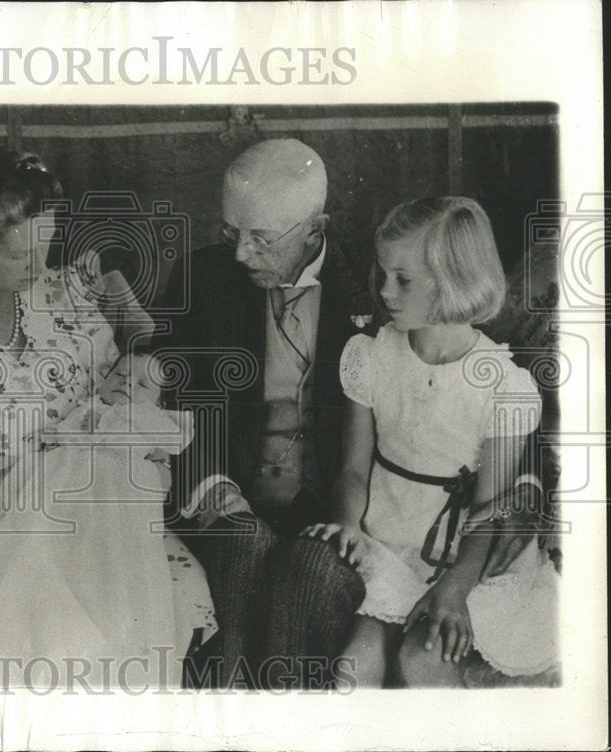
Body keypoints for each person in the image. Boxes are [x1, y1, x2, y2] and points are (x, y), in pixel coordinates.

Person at [0, 148, 215, 689]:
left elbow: (138, 382)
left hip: (98, 509)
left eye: (45, 248)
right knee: (71, 634)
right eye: (19, 258)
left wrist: (131, 330)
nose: (38, 269)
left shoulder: (65, 291)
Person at [304, 197, 559, 687]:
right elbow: (354, 470)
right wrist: (346, 523)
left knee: (423, 662)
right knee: (352, 671)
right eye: (382, 274)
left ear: (453, 281)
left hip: (466, 560)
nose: (384, 291)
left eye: (403, 279)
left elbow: (489, 511)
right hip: (389, 546)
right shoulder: (371, 356)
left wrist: (455, 589)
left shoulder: (502, 385)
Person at [155, 138, 371, 686]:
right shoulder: (200, 280)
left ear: (315, 230)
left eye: (260, 238)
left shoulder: (372, 286)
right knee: (242, 544)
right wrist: (209, 483)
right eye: (231, 232)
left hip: (325, 505)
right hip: (225, 492)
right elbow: (171, 395)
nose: (240, 254)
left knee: (312, 573)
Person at [0, 353, 216, 688]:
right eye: (120, 374)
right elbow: (57, 437)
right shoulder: (88, 407)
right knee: (34, 527)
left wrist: (151, 469)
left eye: (142, 384)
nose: (126, 383)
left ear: (159, 400)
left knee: (107, 554)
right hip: (60, 480)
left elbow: (161, 471)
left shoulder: (154, 420)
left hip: (114, 492)